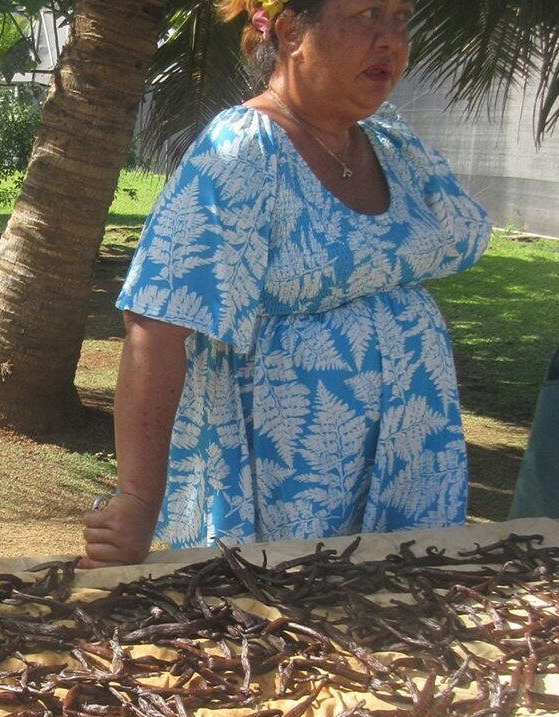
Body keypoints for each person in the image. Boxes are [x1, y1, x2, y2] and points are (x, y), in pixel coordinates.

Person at [81, 0, 492, 568]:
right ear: (293, 30)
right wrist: (137, 501)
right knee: (296, 634)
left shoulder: (393, 147)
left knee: (397, 632)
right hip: (294, 475)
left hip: (411, 462)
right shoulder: (244, 150)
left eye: (401, 18)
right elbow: (157, 323)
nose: (391, 40)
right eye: (368, 14)